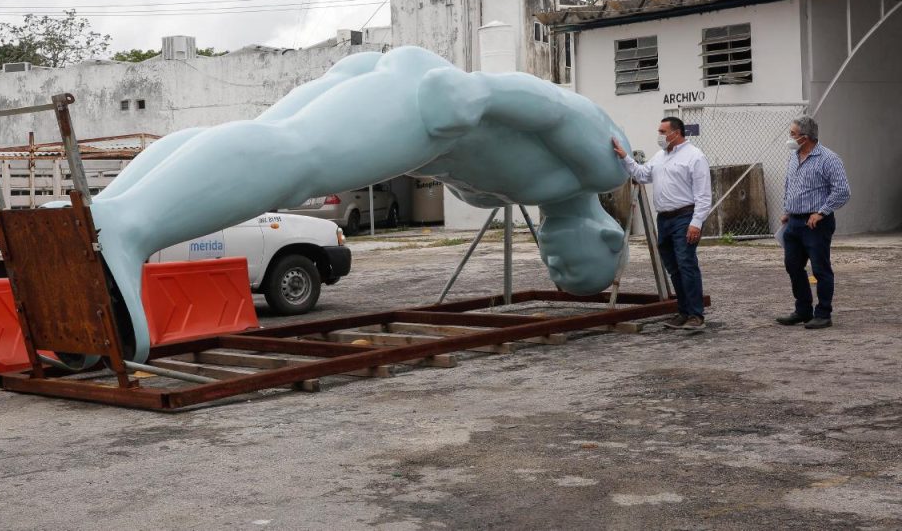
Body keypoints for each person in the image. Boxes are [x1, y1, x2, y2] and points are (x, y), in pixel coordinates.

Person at [87, 46, 636, 363]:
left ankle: (104, 210)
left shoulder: (527, 194)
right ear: (609, 238)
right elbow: (562, 110)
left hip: (411, 101)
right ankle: (129, 227)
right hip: (430, 104)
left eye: (558, 276)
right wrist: (484, 92)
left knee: (273, 140)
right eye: (573, 269)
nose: (556, 268)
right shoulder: (606, 166)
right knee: (295, 156)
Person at [611, 117, 712, 332]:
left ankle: (696, 314)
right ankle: (683, 311)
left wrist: (696, 223)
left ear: (676, 132)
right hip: (664, 219)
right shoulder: (660, 156)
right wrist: (624, 157)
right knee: (673, 267)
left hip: (685, 216)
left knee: (686, 264)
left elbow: (703, 195)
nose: (660, 136)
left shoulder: (695, 157)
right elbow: (642, 174)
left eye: (662, 131)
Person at [775, 116, 850, 330]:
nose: (789, 138)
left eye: (792, 134)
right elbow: (790, 185)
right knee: (793, 265)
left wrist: (822, 212)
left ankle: (823, 313)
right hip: (794, 223)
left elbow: (842, 191)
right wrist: (787, 211)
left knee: (820, 268)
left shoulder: (828, 158)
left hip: (816, 223)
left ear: (805, 138)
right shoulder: (793, 155)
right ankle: (803, 310)